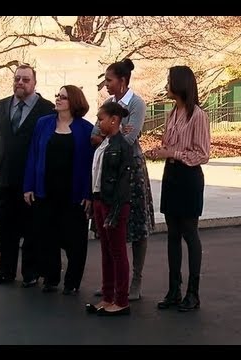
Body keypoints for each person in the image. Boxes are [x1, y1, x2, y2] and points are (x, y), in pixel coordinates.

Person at [145, 65, 210, 312]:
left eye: (169, 79)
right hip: (171, 174)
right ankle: (174, 289)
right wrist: (161, 152)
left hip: (189, 177)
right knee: (172, 233)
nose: (166, 84)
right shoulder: (173, 112)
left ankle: (193, 293)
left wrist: (173, 152)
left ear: (180, 83)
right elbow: (170, 145)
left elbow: (203, 154)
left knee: (189, 233)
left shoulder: (198, 116)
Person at [91, 58, 155, 301]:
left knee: (137, 226)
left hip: (131, 170)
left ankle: (136, 279)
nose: (106, 84)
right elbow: (94, 135)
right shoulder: (108, 104)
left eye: (109, 80)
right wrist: (114, 133)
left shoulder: (137, 103)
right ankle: (113, 281)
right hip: (108, 169)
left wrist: (109, 135)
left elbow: (128, 141)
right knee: (109, 226)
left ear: (122, 80)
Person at [0, 64, 55, 287]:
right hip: (5, 177)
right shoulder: (2, 106)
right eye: (17, 79)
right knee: (6, 228)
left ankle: (31, 272)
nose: (20, 83)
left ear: (34, 83)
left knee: (31, 228)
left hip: (31, 179)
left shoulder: (46, 109)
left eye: (26, 79)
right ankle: (6, 271)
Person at [23, 85, 94, 295]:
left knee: (76, 240)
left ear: (74, 102)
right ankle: (50, 278)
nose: (58, 99)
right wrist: (28, 186)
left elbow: (91, 165)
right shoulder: (43, 124)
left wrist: (89, 194)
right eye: (57, 96)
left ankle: (72, 282)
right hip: (46, 190)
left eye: (63, 97)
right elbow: (33, 156)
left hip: (74, 193)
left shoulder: (86, 129)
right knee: (47, 236)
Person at [85, 102, 133, 316]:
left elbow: (124, 183)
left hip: (113, 204)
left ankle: (121, 300)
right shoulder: (104, 144)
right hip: (99, 200)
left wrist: (114, 211)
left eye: (101, 118)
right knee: (106, 251)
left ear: (114, 120)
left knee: (117, 252)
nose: (98, 122)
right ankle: (107, 296)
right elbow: (97, 174)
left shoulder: (122, 147)